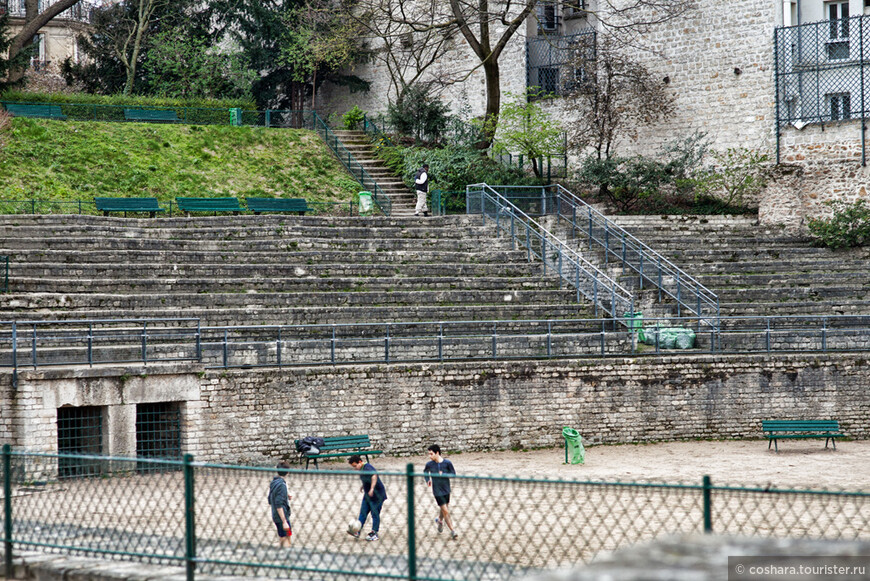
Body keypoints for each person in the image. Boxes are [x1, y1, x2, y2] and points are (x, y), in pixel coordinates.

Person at [348, 454, 387, 541]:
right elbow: (367, 479)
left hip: (377, 495)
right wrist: (363, 486)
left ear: (360, 462)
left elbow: (374, 476)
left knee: (375, 513)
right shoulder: (361, 469)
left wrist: (372, 488)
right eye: (353, 467)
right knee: (363, 512)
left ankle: (374, 533)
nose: (355, 468)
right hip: (368, 494)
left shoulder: (367, 467)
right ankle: (357, 530)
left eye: (355, 466)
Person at [423, 444, 458, 540]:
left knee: (444, 508)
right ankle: (453, 530)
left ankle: (439, 520)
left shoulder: (447, 463)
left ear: (437, 453)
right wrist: (427, 480)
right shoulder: (429, 464)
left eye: (431, 454)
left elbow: (453, 474)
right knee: (446, 510)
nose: (430, 456)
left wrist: (444, 474)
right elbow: (425, 472)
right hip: (437, 491)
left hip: (446, 489)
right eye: (429, 454)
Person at [267, 460, 293, 548]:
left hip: (275, 515)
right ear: (288, 472)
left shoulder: (274, 482)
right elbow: (279, 505)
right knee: (286, 538)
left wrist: (286, 494)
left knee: (283, 536)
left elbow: (270, 499)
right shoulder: (282, 485)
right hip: (282, 517)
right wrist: (284, 521)